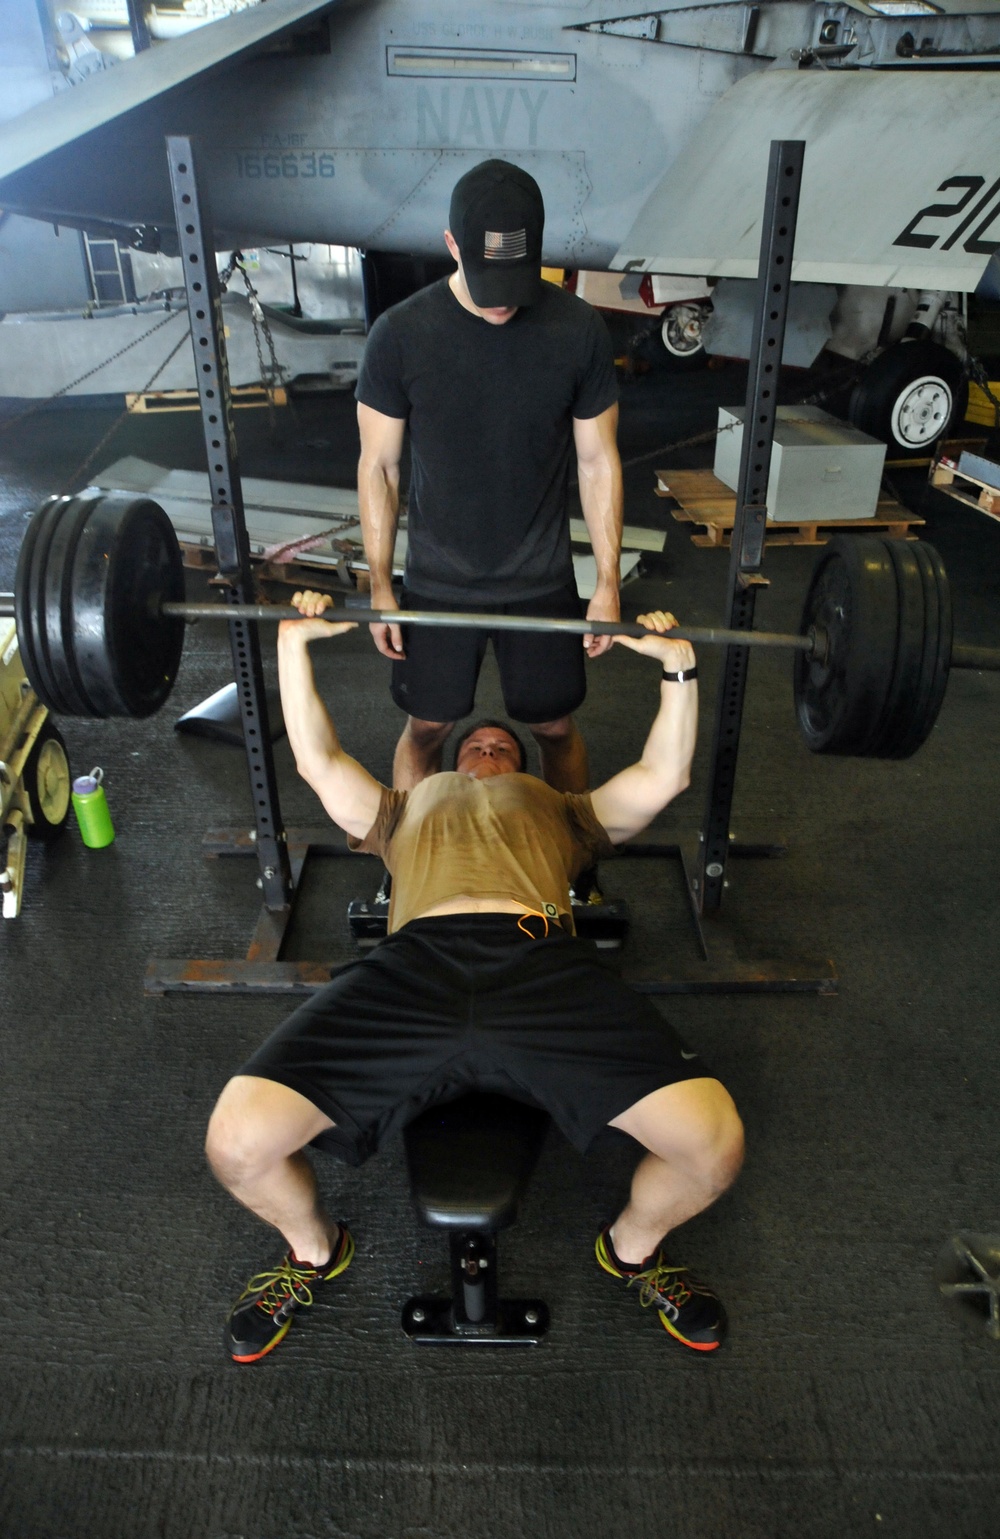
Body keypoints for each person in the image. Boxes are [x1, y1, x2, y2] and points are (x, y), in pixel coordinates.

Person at [205, 593, 744, 1365]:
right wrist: (294, 643)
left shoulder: (564, 810)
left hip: (541, 963)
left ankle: (631, 1249)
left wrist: (681, 667)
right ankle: (315, 1249)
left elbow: (667, 773)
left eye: (503, 744)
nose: (489, 746)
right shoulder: (400, 809)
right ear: (450, 760)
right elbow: (315, 760)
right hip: (412, 967)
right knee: (236, 1139)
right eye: (475, 743)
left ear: (524, 766)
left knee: (714, 1140)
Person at [355, 158, 623, 795]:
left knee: (556, 728)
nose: (503, 301)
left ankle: (569, 872)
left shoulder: (578, 329)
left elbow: (597, 461)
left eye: (515, 280)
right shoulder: (399, 335)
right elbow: (380, 468)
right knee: (426, 728)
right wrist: (380, 587)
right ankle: (410, 871)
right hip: (441, 578)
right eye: (486, 279)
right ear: (452, 246)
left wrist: (608, 583)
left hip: (542, 579)